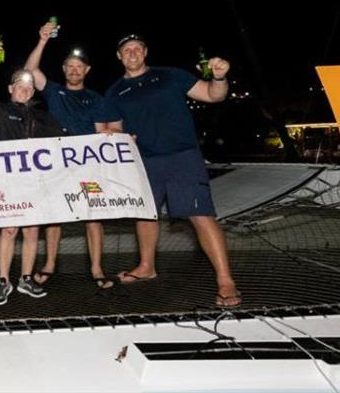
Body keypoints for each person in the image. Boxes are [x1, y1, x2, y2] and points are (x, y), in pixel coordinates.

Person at [104, 34, 242, 308]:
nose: (131, 53)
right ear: (119, 57)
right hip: (143, 162)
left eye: (136, 48)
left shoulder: (170, 75)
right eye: (125, 50)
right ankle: (146, 266)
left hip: (182, 157)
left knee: (200, 215)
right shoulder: (114, 91)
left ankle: (226, 281)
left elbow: (213, 95)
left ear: (145, 52)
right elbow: (115, 127)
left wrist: (219, 77)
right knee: (145, 215)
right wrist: (117, 136)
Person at [24, 21, 120, 289]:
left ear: (86, 70)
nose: (74, 70)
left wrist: (114, 137)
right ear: (64, 69)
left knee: (93, 216)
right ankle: (50, 265)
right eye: (70, 66)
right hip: (55, 164)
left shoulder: (97, 99)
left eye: (79, 67)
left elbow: (103, 132)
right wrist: (42, 40)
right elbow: (30, 70)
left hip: (87, 166)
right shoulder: (54, 91)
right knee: (54, 215)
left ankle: (97, 269)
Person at [0, 40, 65, 306]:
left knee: (31, 231)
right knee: (9, 231)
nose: (25, 90)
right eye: (20, 86)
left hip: (36, 184)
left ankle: (26, 278)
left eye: (29, 87)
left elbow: (68, 143)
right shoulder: (2, 113)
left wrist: (107, 140)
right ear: (11, 89)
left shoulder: (44, 118)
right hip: (8, 183)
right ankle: (3, 280)